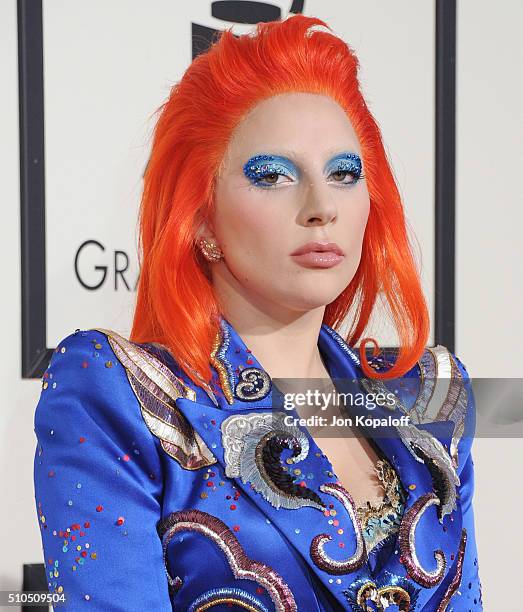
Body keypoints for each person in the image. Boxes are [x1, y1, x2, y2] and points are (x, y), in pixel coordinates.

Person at [33, 14, 483, 611]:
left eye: (345, 174)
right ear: (201, 216)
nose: (321, 206)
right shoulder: (121, 394)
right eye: (273, 176)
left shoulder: (427, 401)